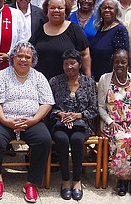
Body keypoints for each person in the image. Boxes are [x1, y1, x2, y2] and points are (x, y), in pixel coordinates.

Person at [0, 41, 54, 203]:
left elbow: (47, 103)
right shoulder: (2, 75)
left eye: (27, 57)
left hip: (32, 120)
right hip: (4, 119)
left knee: (44, 140)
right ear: (12, 58)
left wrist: (34, 119)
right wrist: (4, 120)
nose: (23, 59)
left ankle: (31, 183)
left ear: (33, 60)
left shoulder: (38, 77)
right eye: (20, 56)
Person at [98, 49, 131, 197]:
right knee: (121, 139)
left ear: (128, 64)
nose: (120, 64)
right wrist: (110, 121)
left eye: (123, 62)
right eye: (116, 62)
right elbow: (101, 107)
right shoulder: (105, 79)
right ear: (112, 63)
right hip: (114, 124)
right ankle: (121, 178)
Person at [49, 49, 98, 201]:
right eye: (66, 64)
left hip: (82, 124)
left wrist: (78, 115)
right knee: (62, 140)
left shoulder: (89, 83)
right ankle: (65, 179)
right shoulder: (55, 81)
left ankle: (76, 180)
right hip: (60, 124)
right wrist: (61, 114)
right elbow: (49, 106)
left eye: (72, 63)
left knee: (77, 139)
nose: (69, 67)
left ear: (79, 63)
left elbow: (94, 109)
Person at [30, 0, 91, 79]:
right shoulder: (39, 29)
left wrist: (88, 78)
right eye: (52, 8)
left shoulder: (74, 29)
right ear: (47, 10)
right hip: (42, 82)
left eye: (60, 8)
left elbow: (85, 54)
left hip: (68, 83)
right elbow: (30, 54)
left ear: (66, 10)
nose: (56, 10)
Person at [91, 0, 129, 79]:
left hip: (111, 78)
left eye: (110, 8)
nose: (107, 10)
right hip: (97, 75)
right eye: (104, 8)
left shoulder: (120, 30)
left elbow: (123, 59)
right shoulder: (100, 28)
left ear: (116, 11)